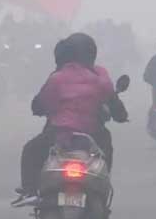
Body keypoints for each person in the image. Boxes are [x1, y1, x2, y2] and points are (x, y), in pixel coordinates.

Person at [14, 33, 127, 206]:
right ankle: (101, 187)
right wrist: (121, 116)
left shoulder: (57, 78)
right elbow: (114, 104)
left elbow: (39, 104)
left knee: (31, 150)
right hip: (93, 133)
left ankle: (30, 191)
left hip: (59, 133)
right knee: (105, 152)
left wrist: (42, 109)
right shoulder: (100, 76)